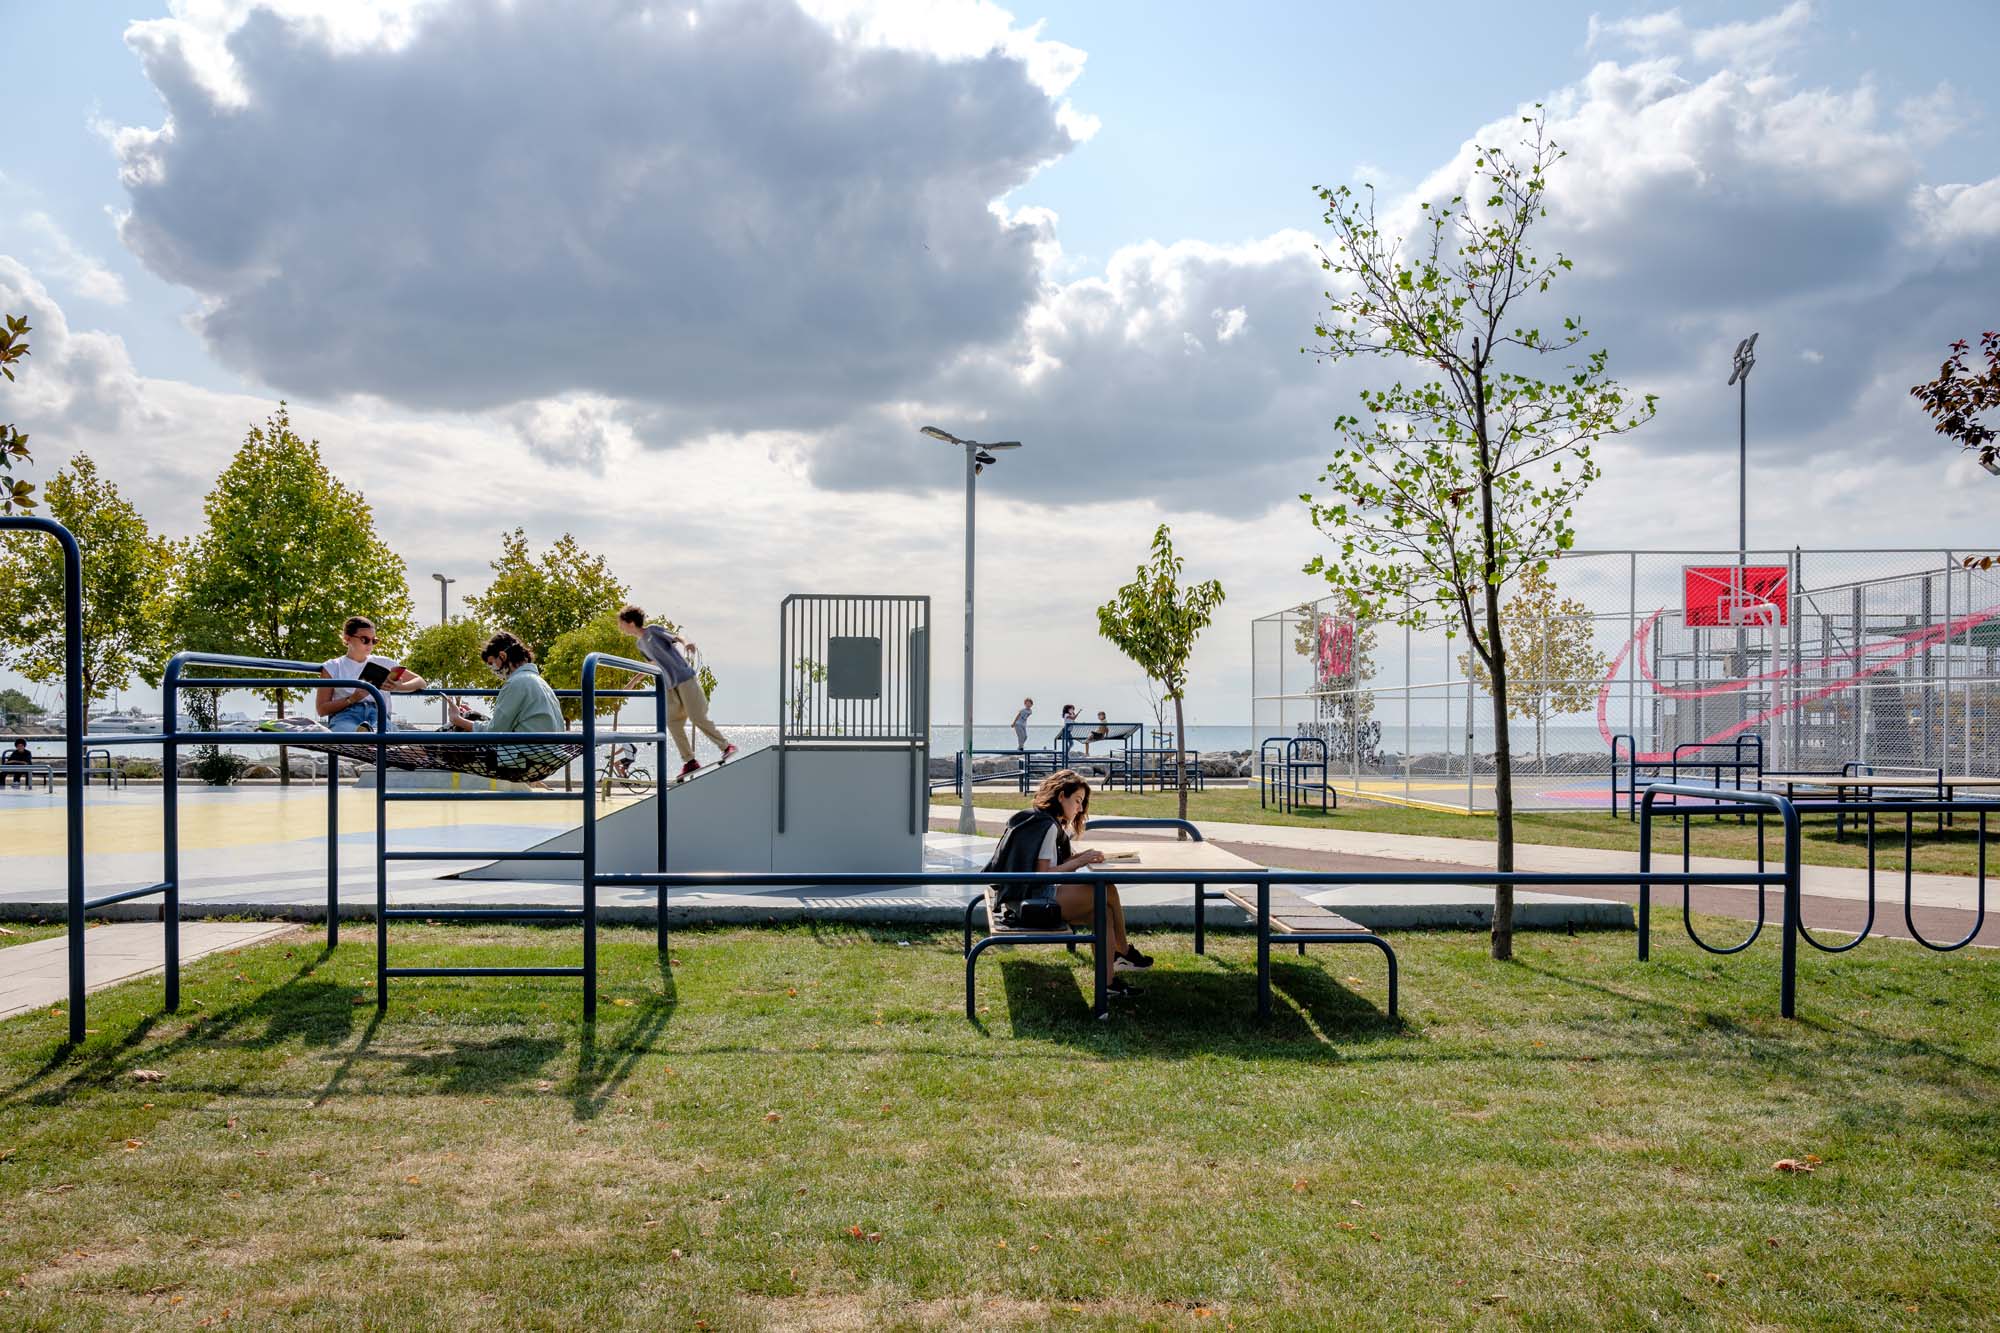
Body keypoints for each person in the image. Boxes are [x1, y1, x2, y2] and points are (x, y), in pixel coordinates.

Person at [987, 769, 1152, 997]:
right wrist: (1080, 861)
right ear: (1061, 796)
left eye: (1082, 803)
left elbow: (1049, 867)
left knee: (1102, 913)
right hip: (1036, 901)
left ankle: (1107, 983)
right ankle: (1123, 950)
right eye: (1077, 800)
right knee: (1108, 890)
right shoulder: (1047, 826)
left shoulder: (1043, 820)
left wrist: (1081, 857)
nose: (1080, 808)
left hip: (1025, 896)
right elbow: (1044, 875)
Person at [616, 604, 737, 782]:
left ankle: (726, 746)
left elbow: (677, 636)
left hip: (684, 678)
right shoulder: (640, 644)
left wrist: (687, 642)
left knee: (697, 717)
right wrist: (633, 682)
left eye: (621, 623)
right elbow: (652, 664)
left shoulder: (653, 631)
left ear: (631, 623)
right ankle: (690, 761)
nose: (620, 627)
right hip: (670, 686)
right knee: (672, 721)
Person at [317, 616, 428, 733]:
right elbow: (321, 709)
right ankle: (367, 735)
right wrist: (351, 699)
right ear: (347, 638)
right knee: (352, 732)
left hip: (378, 714)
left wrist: (399, 687)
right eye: (364, 639)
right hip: (345, 716)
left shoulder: (385, 662)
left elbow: (421, 682)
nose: (370, 644)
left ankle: (368, 734)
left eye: (374, 640)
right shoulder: (333, 666)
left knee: (381, 731)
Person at [447, 631, 564, 735]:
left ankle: (433, 748)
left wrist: (457, 720)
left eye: (491, 663)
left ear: (503, 656)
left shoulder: (515, 684)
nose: (492, 669)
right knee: (471, 716)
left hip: (525, 751)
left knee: (457, 730)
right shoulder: (540, 683)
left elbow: (495, 731)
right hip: (547, 750)